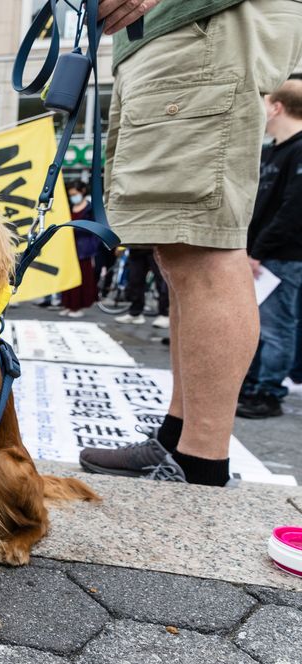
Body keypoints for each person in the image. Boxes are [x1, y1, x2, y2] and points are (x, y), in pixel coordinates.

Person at [79, 0, 302, 487]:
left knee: (201, 248)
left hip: (198, 29)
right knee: (178, 244)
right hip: (172, 36)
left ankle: (201, 466)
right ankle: (179, 440)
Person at [236, 80, 302, 419]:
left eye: (265, 102)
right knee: (259, 324)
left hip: (283, 256)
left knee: (277, 327)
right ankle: (253, 385)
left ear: (277, 107)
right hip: (261, 253)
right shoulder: (272, 150)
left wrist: (258, 250)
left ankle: (268, 391)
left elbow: (293, 209)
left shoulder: (298, 149)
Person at [60, 180, 99, 318]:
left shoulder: (90, 209)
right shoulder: (69, 207)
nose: (73, 197)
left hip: (83, 249)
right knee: (68, 277)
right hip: (69, 248)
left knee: (81, 278)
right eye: (71, 194)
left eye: (75, 194)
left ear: (82, 192)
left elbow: (95, 229)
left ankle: (77, 307)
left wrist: (92, 248)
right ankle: (67, 304)